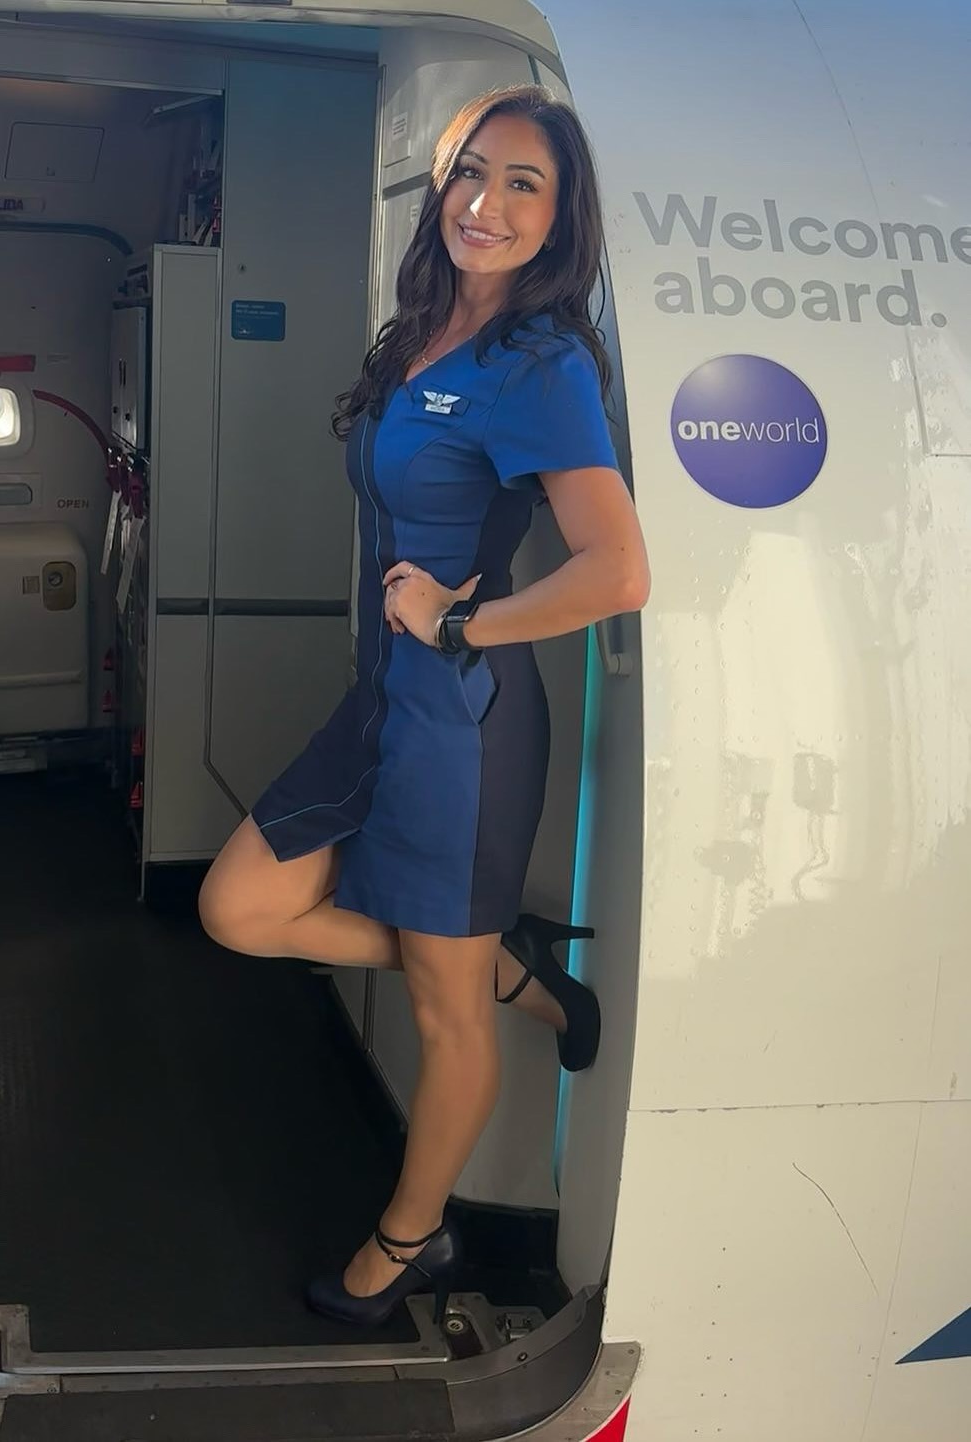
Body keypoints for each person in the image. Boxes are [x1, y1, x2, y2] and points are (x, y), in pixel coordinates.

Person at [199, 84, 650, 1328]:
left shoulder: (539, 363)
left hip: (463, 728)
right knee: (238, 907)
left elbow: (617, 570)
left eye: (523, 185)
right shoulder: (416, 335)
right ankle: (509, 964)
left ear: (559, 220)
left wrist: (459, 622)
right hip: (380, 705)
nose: (486, 203)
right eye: (472, 173)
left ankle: (410, 1238)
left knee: (445, 1018)